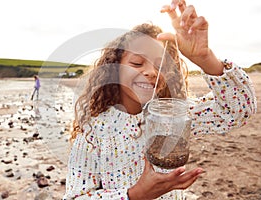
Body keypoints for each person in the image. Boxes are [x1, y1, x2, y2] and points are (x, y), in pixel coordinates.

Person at [63, 0, 257, 199]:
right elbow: (75, 196)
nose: (150, 72)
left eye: (160, 65)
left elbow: (238, 110)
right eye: (137, 63)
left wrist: (204, 58)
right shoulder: (94, 129)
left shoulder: (174, 115)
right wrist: (136, 194)